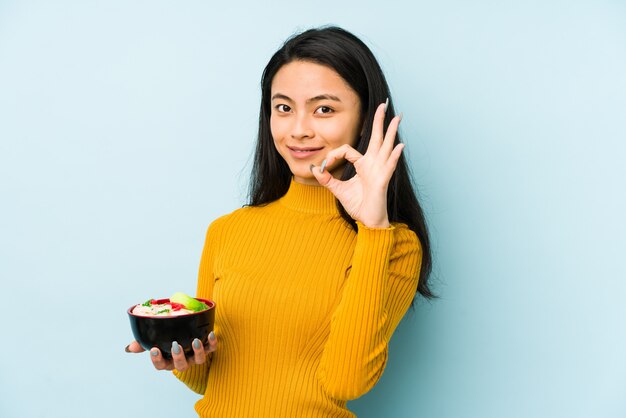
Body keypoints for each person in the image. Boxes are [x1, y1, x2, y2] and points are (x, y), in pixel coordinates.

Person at [126, 25, 434, 417]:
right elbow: (209, 380)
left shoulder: (394, 244)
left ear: (364, 120)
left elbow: (346, 381)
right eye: (284, 107)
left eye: (324, 109)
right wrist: (180, 354)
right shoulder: (227, 231)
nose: (299, 129)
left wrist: (373, 230)